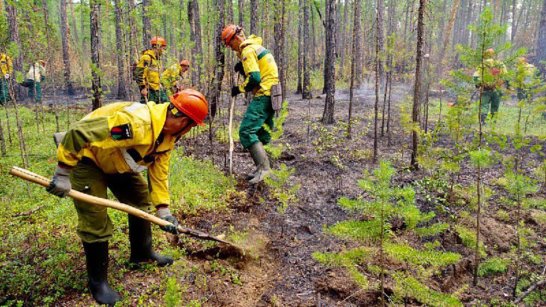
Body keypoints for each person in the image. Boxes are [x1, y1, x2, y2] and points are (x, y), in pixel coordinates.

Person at [46, 89, 208, 305]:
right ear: (182, 119)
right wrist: (63, 173)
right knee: (95, 218)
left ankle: (141, 254)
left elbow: (159, 173)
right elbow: (79, 133)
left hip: (114, 162)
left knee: (140, 199)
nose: (189, 131)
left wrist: (164, 210)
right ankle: (98, 283)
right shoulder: (137, 123)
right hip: (89, 158)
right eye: (191, 126)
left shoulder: (168, 136)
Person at [221, 24, 279, 184]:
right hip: (273, 94)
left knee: (246, 131)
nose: (231, 48)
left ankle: (265, 169)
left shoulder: (247, 50)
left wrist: (238, 89)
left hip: (264, 94)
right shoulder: (256, 46)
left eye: (230, 44)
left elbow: (254, 78)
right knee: (260, 133)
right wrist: (242, 69)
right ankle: (262, 168)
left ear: (235, 38)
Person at [473, 48, 508, 124]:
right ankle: (493, 122)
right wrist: (505, 85)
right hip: (497, 89)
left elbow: (476, 76)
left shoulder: (482, 64)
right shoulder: (500, 64)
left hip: (485, 89)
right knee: (495, 106)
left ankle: (482, 121)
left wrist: (477, 85)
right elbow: (505, 76)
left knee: (484, 105)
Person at [134, 36, 169, 104]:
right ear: (157, 46)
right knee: (147, 109)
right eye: (163, 48)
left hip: (157, 89)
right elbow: (139, 73)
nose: (163, 51)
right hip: (149, 90)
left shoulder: (156, 60)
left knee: (166, 105)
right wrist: (143, 88)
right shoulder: (146, 58)